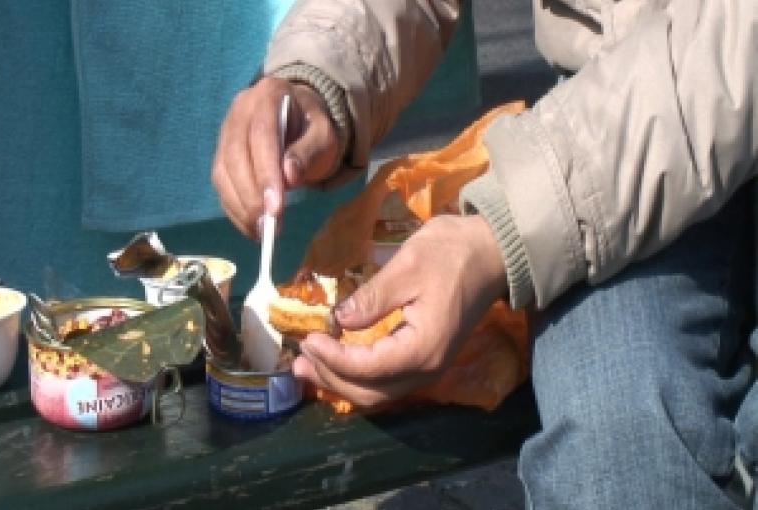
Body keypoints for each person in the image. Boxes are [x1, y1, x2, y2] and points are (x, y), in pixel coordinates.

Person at [211, 1, 758, 508]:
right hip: (610, 115)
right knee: (614, 447)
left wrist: (505, 232)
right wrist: (319, 78)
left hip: (615, 152)